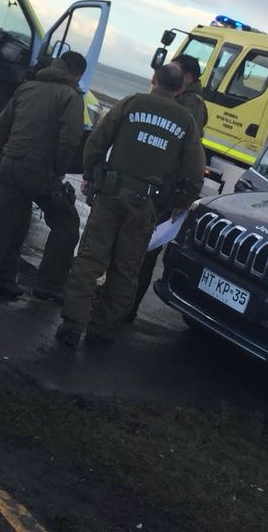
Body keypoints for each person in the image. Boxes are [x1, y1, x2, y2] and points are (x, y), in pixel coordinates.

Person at [56, 63, 205, 347]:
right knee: (125, 269)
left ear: (153, 79)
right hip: (147, 204)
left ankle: (73, 325)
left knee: (90, 259)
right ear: (181, 88)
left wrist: (89, 175)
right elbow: (194, 171)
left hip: (111, 195)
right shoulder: (186, 121)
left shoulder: (131, 103)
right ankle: (102, 330)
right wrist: (183, 202)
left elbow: (97, 142)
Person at [0, 51, 87, 304]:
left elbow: (1, 125)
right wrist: (58, 171)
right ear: (78, 74)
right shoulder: (71, 97)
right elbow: (70, 138)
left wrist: (2, 157)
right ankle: (49, 285)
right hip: (39, 169)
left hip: (11, 162)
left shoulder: (26, 87)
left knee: (1, 223)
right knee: (67, 224)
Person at [124, 54, 207, 323]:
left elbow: (185, 154)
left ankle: (125, 309)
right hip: (156, 189)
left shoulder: (190, 106)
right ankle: (118, 304)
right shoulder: (184, 102)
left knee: (143, 254)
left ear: (187, 77)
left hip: (164, 193)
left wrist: (180, 198)